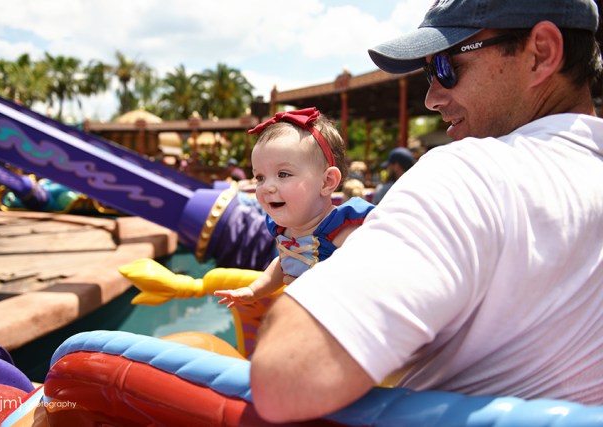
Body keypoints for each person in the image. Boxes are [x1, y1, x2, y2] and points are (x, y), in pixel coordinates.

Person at [250, 0, 603, 423]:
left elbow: (285, 378)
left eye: (445, 66)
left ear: (541, 52)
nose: (432, 97)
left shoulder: (473, 175)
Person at [214, 107, 374, 308]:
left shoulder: (344, 232)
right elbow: (283, 263)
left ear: (327, 182)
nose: (267, 187)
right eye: (260, 177)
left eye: (283, 174)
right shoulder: (285, 231)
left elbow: (369, 280)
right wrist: (254, 290)